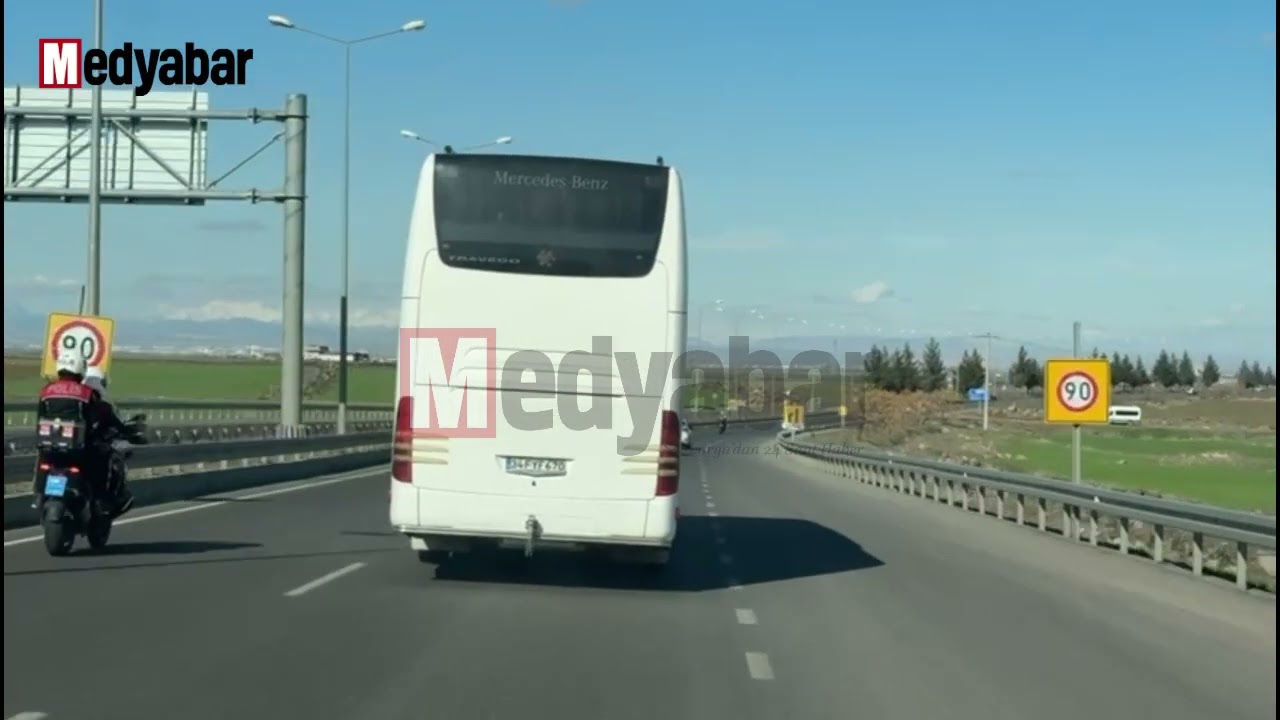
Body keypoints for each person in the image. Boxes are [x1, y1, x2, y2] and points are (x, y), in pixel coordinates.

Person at [82, 366, 135, 514]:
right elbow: (118, 424)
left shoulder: (76, 401)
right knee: (108, 465)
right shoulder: (103, 406)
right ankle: (102, 501)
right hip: (92, 451)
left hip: (68, 448)